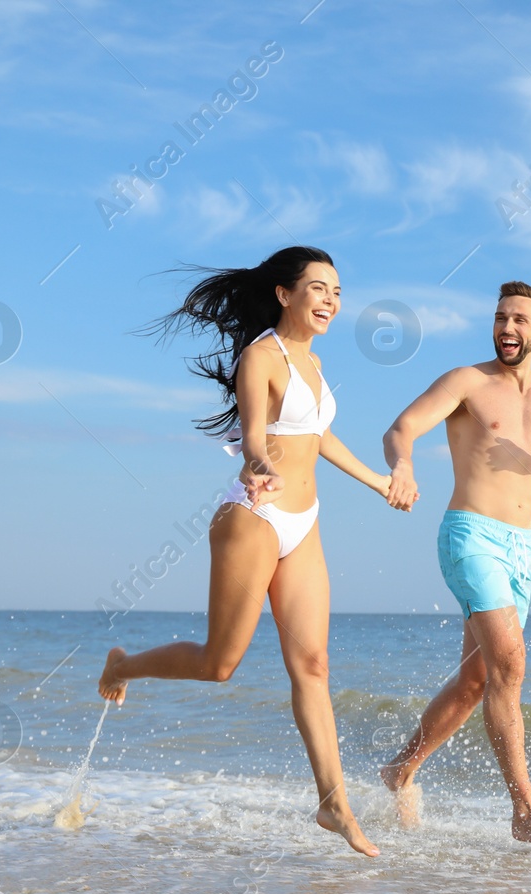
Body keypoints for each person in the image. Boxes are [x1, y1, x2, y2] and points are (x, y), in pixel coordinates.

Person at [97, 246, 407, 858]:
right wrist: (260, 467)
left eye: (338, 292)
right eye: (318, 288)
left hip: (306, 522)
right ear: (284, 294)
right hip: (255, 516)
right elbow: (257, 439)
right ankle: (122, 665)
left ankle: (333, 803)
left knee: (313, 665)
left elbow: (317, 437)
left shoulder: (315, 365)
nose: (330, 300)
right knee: (220, 664)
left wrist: (380, 482)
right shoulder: (260, 356)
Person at [378, 280, 531, 851]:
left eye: (520, 320)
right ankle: (525, 810)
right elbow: (400, 428)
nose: (508, 328)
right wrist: (403, 467)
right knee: (511, 663)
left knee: (479, 679)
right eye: (501, 318)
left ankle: (400, 769)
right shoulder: (467, 382)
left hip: (522, 548)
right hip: (469, 535)